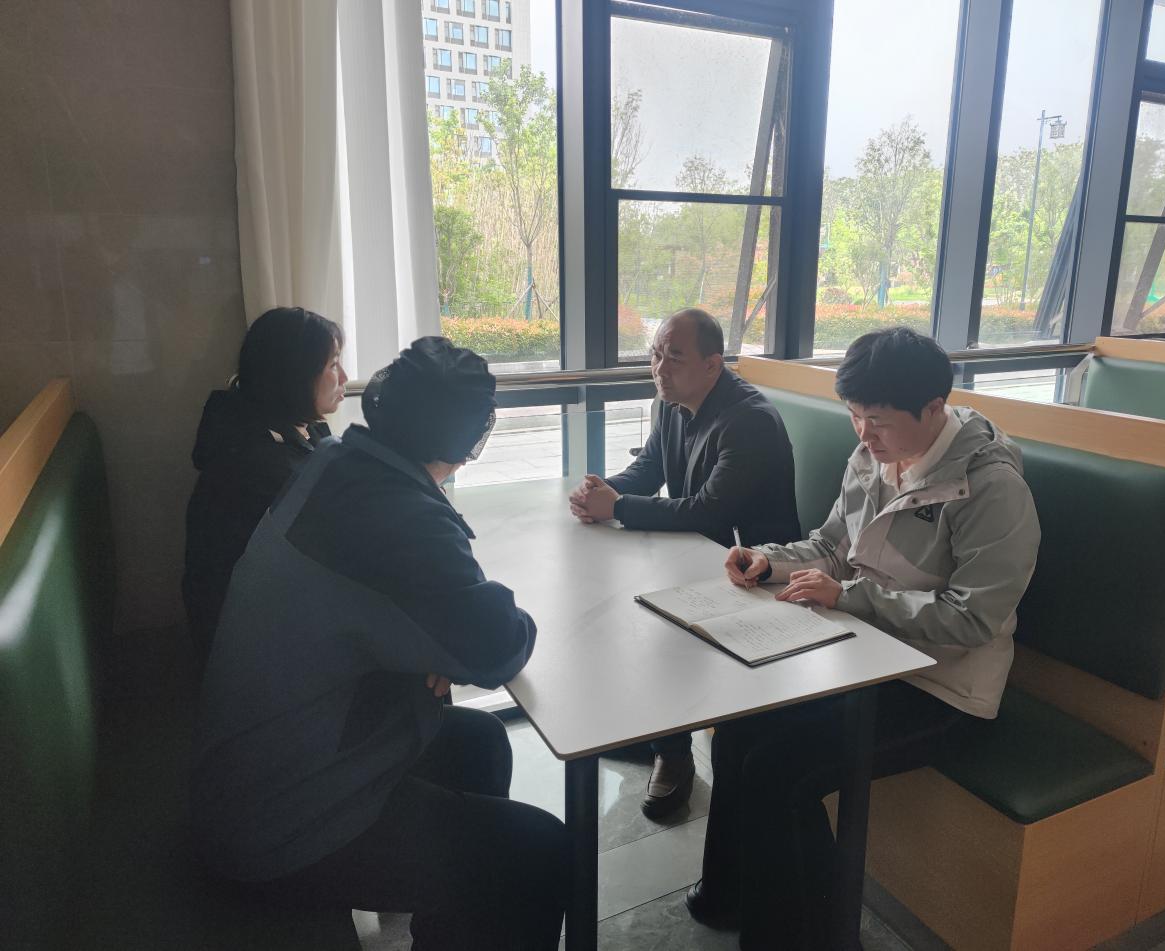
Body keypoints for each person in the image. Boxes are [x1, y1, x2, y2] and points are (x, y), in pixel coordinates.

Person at [191, 338, 568, 951]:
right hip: (280, 824)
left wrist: (434, 647)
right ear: (470, 440)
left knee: (479, 742)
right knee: (539, 849)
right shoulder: (401, 516)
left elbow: (385, 614)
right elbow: (497, 649)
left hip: (253, 766)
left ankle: (449, 922)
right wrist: (447, 646)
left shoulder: (339, 461)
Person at [692, 326, 1041, 949]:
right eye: (855, 416)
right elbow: (832, 546)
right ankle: (728, 896)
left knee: (779, 771)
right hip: (862, 653)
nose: (863, 434)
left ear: (933, 408)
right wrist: (770, 562)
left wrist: (851, 597)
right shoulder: (872, 456)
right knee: (740, 728)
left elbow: (972, 620)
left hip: (942, 685)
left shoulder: (991, 487)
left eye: (877, 420)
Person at [569, 308, 801, 821]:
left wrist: (617, 507)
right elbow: (650, 468)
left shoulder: (749, 420)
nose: (660, 368)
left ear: (713, 364)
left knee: (653, 619)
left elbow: (708, 510)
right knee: (606, 593)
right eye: (655, 354)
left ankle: (673, 753)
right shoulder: (672, 405)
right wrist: (601, 491)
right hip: (695, 557)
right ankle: (656, 732)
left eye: (674, 357)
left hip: (752, 574)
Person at [183, 306, 347, 663]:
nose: (345, 377)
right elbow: (337, 551)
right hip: (255, 651)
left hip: (277, 620)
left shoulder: (287, 429)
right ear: (295, 374)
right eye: (334, 365)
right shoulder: (256, 465)